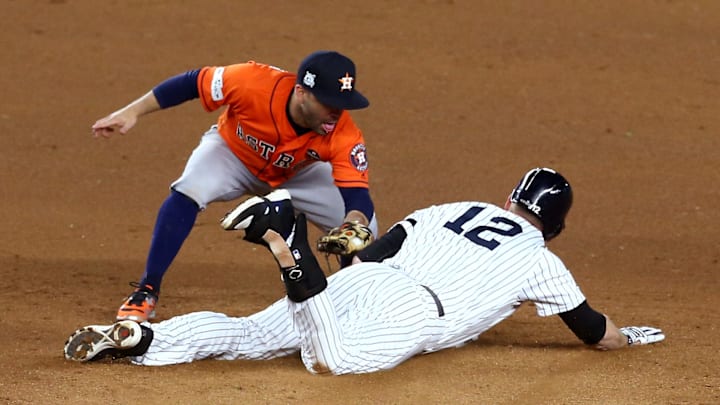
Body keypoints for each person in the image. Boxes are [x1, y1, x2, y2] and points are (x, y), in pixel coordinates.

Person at [63, 167, 665, 375]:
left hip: (363, 281)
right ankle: (287, 244)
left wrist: (339, 282)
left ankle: (142, 338)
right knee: (334, 361)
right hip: (411, 310)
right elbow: (593, 331)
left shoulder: (452, 208)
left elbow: (370, 254)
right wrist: (628, 335)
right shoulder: (542, 260)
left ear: (511, 199)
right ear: (555, 224)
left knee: (251, 335)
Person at [91, 50, 379, 322]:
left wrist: (355, 224)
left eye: (342, 104)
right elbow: (192, 83)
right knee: (188, 190)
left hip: (299, 173)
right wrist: (133, 111)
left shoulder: (343, 133)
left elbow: (357, 195)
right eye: (328, 103)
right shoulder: (251, 82)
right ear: (301, 92)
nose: (336, 112)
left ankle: (348, 303)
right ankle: (146, 290)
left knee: (366, 233)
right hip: (232, 154)